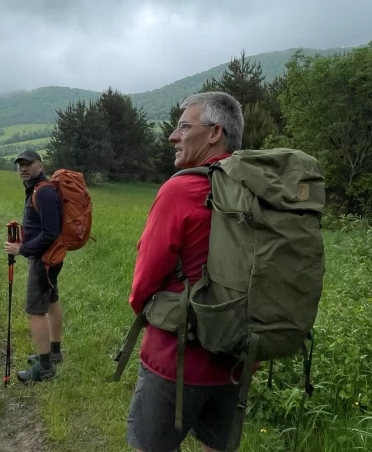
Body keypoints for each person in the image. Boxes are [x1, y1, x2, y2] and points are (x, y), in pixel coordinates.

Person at [125, 91, 259, 452]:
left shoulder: (181, 190)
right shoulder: (257, 188)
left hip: (176, 358)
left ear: (215, 133)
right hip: (238, 357)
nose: (173, 136)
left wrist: (145, 313)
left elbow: (146, 277)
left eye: (184, 126)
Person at [4, 149, 64, 383]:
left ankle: (45, 367)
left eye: (28, 164)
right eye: (20, 165)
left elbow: (50, 233)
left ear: (41, 165)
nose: (23, 168)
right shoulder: (37, 189)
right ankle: (55, 353)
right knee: (52, 301)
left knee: (34, 311)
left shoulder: (44, 192)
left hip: (43, 260)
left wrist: (22, 249)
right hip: (49, 258)